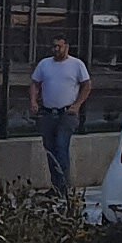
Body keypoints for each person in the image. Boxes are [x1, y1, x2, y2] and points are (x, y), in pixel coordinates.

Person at [31, 40, 91, 196]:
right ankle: (56, 186)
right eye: (54, 46)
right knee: (50, 149)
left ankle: (65, 185)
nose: (56, 49)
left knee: (61, 146)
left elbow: (86, 85)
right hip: (48, 113)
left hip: (67, 114)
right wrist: (33, 101)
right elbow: (35, 83)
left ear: (67, 47)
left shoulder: (76, 65)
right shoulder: (45, 64)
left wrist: (77, 105)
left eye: (59, 46)